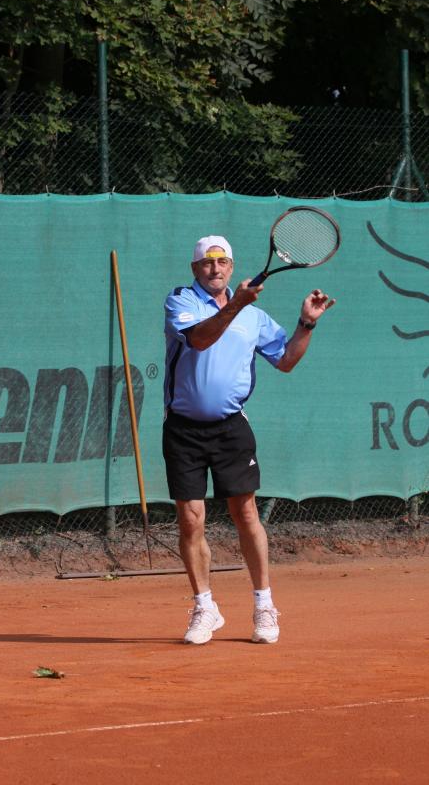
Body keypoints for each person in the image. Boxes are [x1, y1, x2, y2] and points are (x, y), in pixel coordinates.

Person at [163, 235, 335, 645]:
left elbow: (286, 360)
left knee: (245, 513)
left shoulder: (254, 318)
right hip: (183, 429)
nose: (215, 269)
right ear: (195, 269)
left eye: (222, 262)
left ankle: (263, 606)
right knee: (190, 519)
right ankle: (205, 607)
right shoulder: (181, 301)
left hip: (231, 428)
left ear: (232, 267)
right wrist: (236, 304)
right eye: (207, 262)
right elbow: (200, 339)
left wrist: (307, 323)